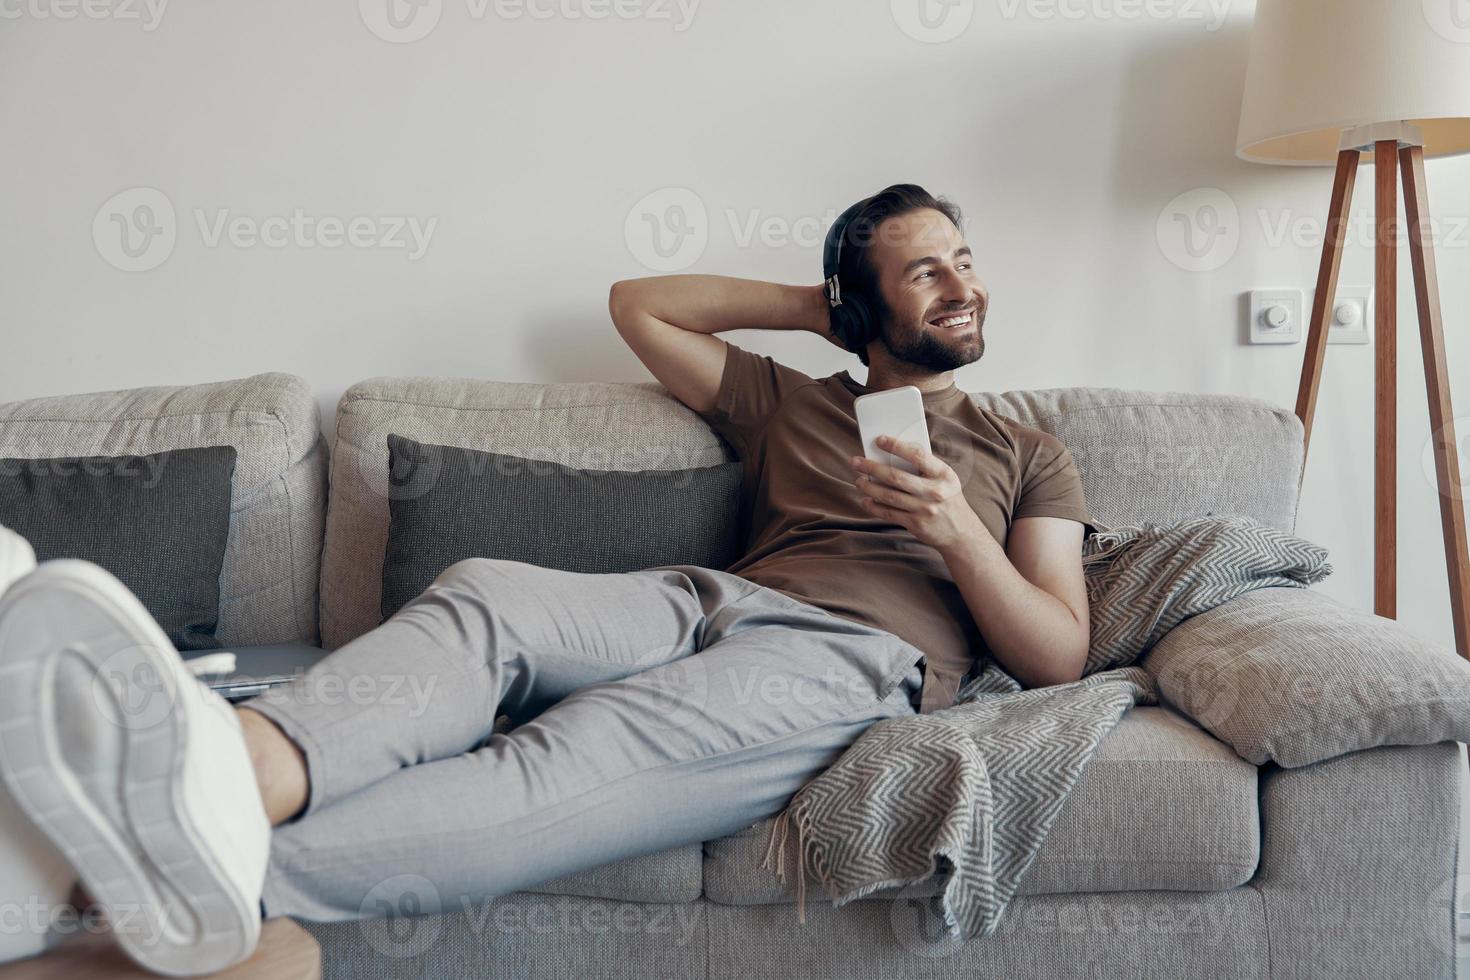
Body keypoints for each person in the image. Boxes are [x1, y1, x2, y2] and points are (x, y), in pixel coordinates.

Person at [0, 183, 1095, 975]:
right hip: (706, 595)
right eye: (924, 268)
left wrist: (957, 533)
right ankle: (214, 774)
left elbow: (1059, 650)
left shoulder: (1026, 446)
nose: (962, 283)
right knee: (485, 595)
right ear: (869, 305)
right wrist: (820, 308)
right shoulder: (794, 401)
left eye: (964, 258)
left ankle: (153, 879)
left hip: (850, 658)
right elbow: (638, 304)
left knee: (567, 758)